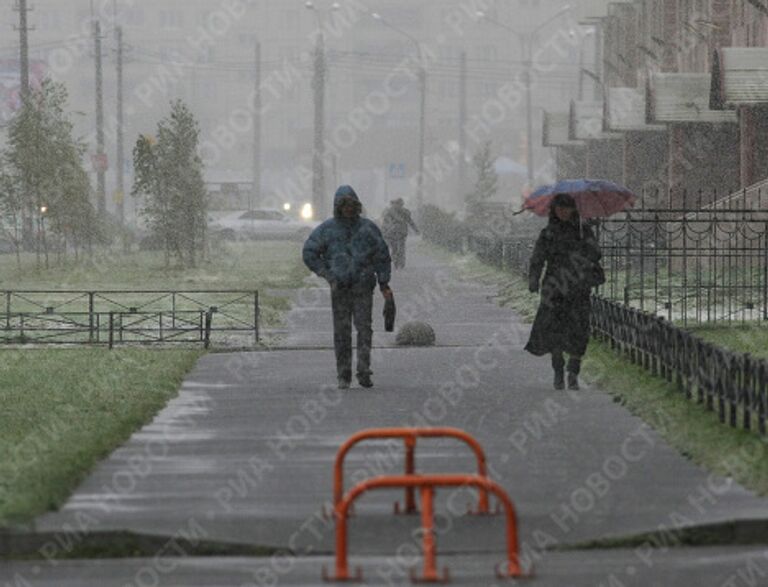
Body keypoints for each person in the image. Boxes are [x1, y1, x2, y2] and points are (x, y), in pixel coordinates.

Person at [303, 185, 393, 389]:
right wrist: (327, 274)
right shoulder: (328, 229)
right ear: (338, 207)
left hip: (362, 287)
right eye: (345, 206)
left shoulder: (367, 228)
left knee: (364, 329)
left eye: (352, 205)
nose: (349, 210)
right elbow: (309, 252)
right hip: (341, 287)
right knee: (342, 332)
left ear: (357, 206)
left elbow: (382, 256)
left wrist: (384, 283)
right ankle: (344, 374)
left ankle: (363, 370)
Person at [525, 193, 602, 391]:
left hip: (578, 287)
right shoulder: (548, 233)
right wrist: (533, 278)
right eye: (559, 208)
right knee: (554, 331)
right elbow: (537, 258)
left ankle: (573, 370)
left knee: (578, 329)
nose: (563, 212)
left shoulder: (583, 231)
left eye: (566, 208)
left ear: (573, 210)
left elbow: (596, 254)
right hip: (554, 288)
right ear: (554, 210)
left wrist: (586, 241)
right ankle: (558, 370)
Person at [381, 198, 419, 270]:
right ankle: (400, 263)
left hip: (392, 233)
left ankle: (396, 261)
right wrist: (416, 230)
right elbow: (410, 221)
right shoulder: (404, 211)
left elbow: (385, 224)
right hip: (401, 232)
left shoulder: (388, 212)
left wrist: (384, 232)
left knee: (395, 248)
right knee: (401, 248)